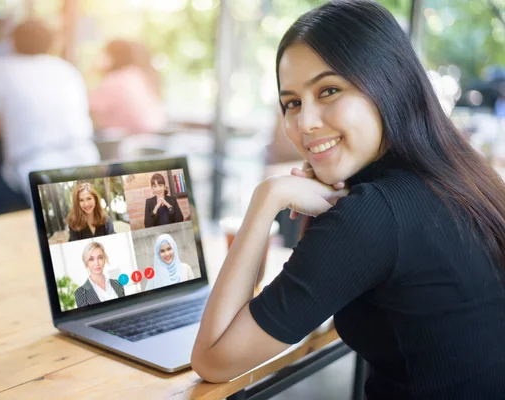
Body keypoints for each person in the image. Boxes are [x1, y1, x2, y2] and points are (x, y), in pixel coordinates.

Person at [191, 1, 505, 398]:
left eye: (329, 90)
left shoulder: (374, 215)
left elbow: (213, 359)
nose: (305, 122)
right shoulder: (457, 178)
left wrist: (266, 198)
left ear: (387, 86)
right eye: (292, 103)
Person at [0, 19, 100, 202]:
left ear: (13, 42)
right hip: (86, 162)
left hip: (32, 169)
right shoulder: (67, 69)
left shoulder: (1, 67)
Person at [89, 39, 166, 135]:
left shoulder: (115, 81)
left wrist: (90, 74)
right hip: (152, 137)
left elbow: (84, 108)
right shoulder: (135, 75)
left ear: (112, 58)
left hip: (131, 141)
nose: (98, 58)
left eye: (103, 54)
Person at [75, 242, 125, 307]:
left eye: (100, 257)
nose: (96, 263)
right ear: (86, 263)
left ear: (104, 260)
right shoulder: (81, 293)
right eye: (91, 259)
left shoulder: (118, 284)